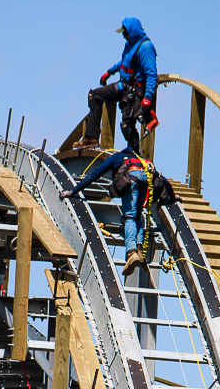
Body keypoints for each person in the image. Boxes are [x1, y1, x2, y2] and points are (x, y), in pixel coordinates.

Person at [59, 148, 151, 276]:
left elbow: (94, 174)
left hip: (132, 178)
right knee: (137, 217)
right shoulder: (140, 160)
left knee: (129, 216)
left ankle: (132, 252)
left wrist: (73, 191)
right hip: (146, 179)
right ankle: (140, 251)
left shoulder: (116, 158)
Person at [74, 17, 158, 153]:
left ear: (132, 31)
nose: (124, 37)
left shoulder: (146, 48)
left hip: (135, 91)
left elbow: (152, 74)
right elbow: (123, 63)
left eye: (125, 33)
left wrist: (148, 97)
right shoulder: (129, 45)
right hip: (123, 86)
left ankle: (135, 155)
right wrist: (109, 72)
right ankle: (91, 137)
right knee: (94, 95)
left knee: (127, 126)